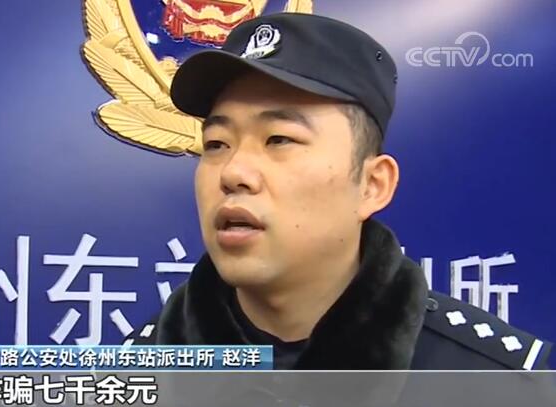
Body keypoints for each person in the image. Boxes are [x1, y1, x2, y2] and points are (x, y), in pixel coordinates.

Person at [128, 12, 552, 370]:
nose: (233, 172)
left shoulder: (499, 380)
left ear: (372, 185)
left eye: (279, 139)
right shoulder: (128, 376)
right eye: (217, 144)